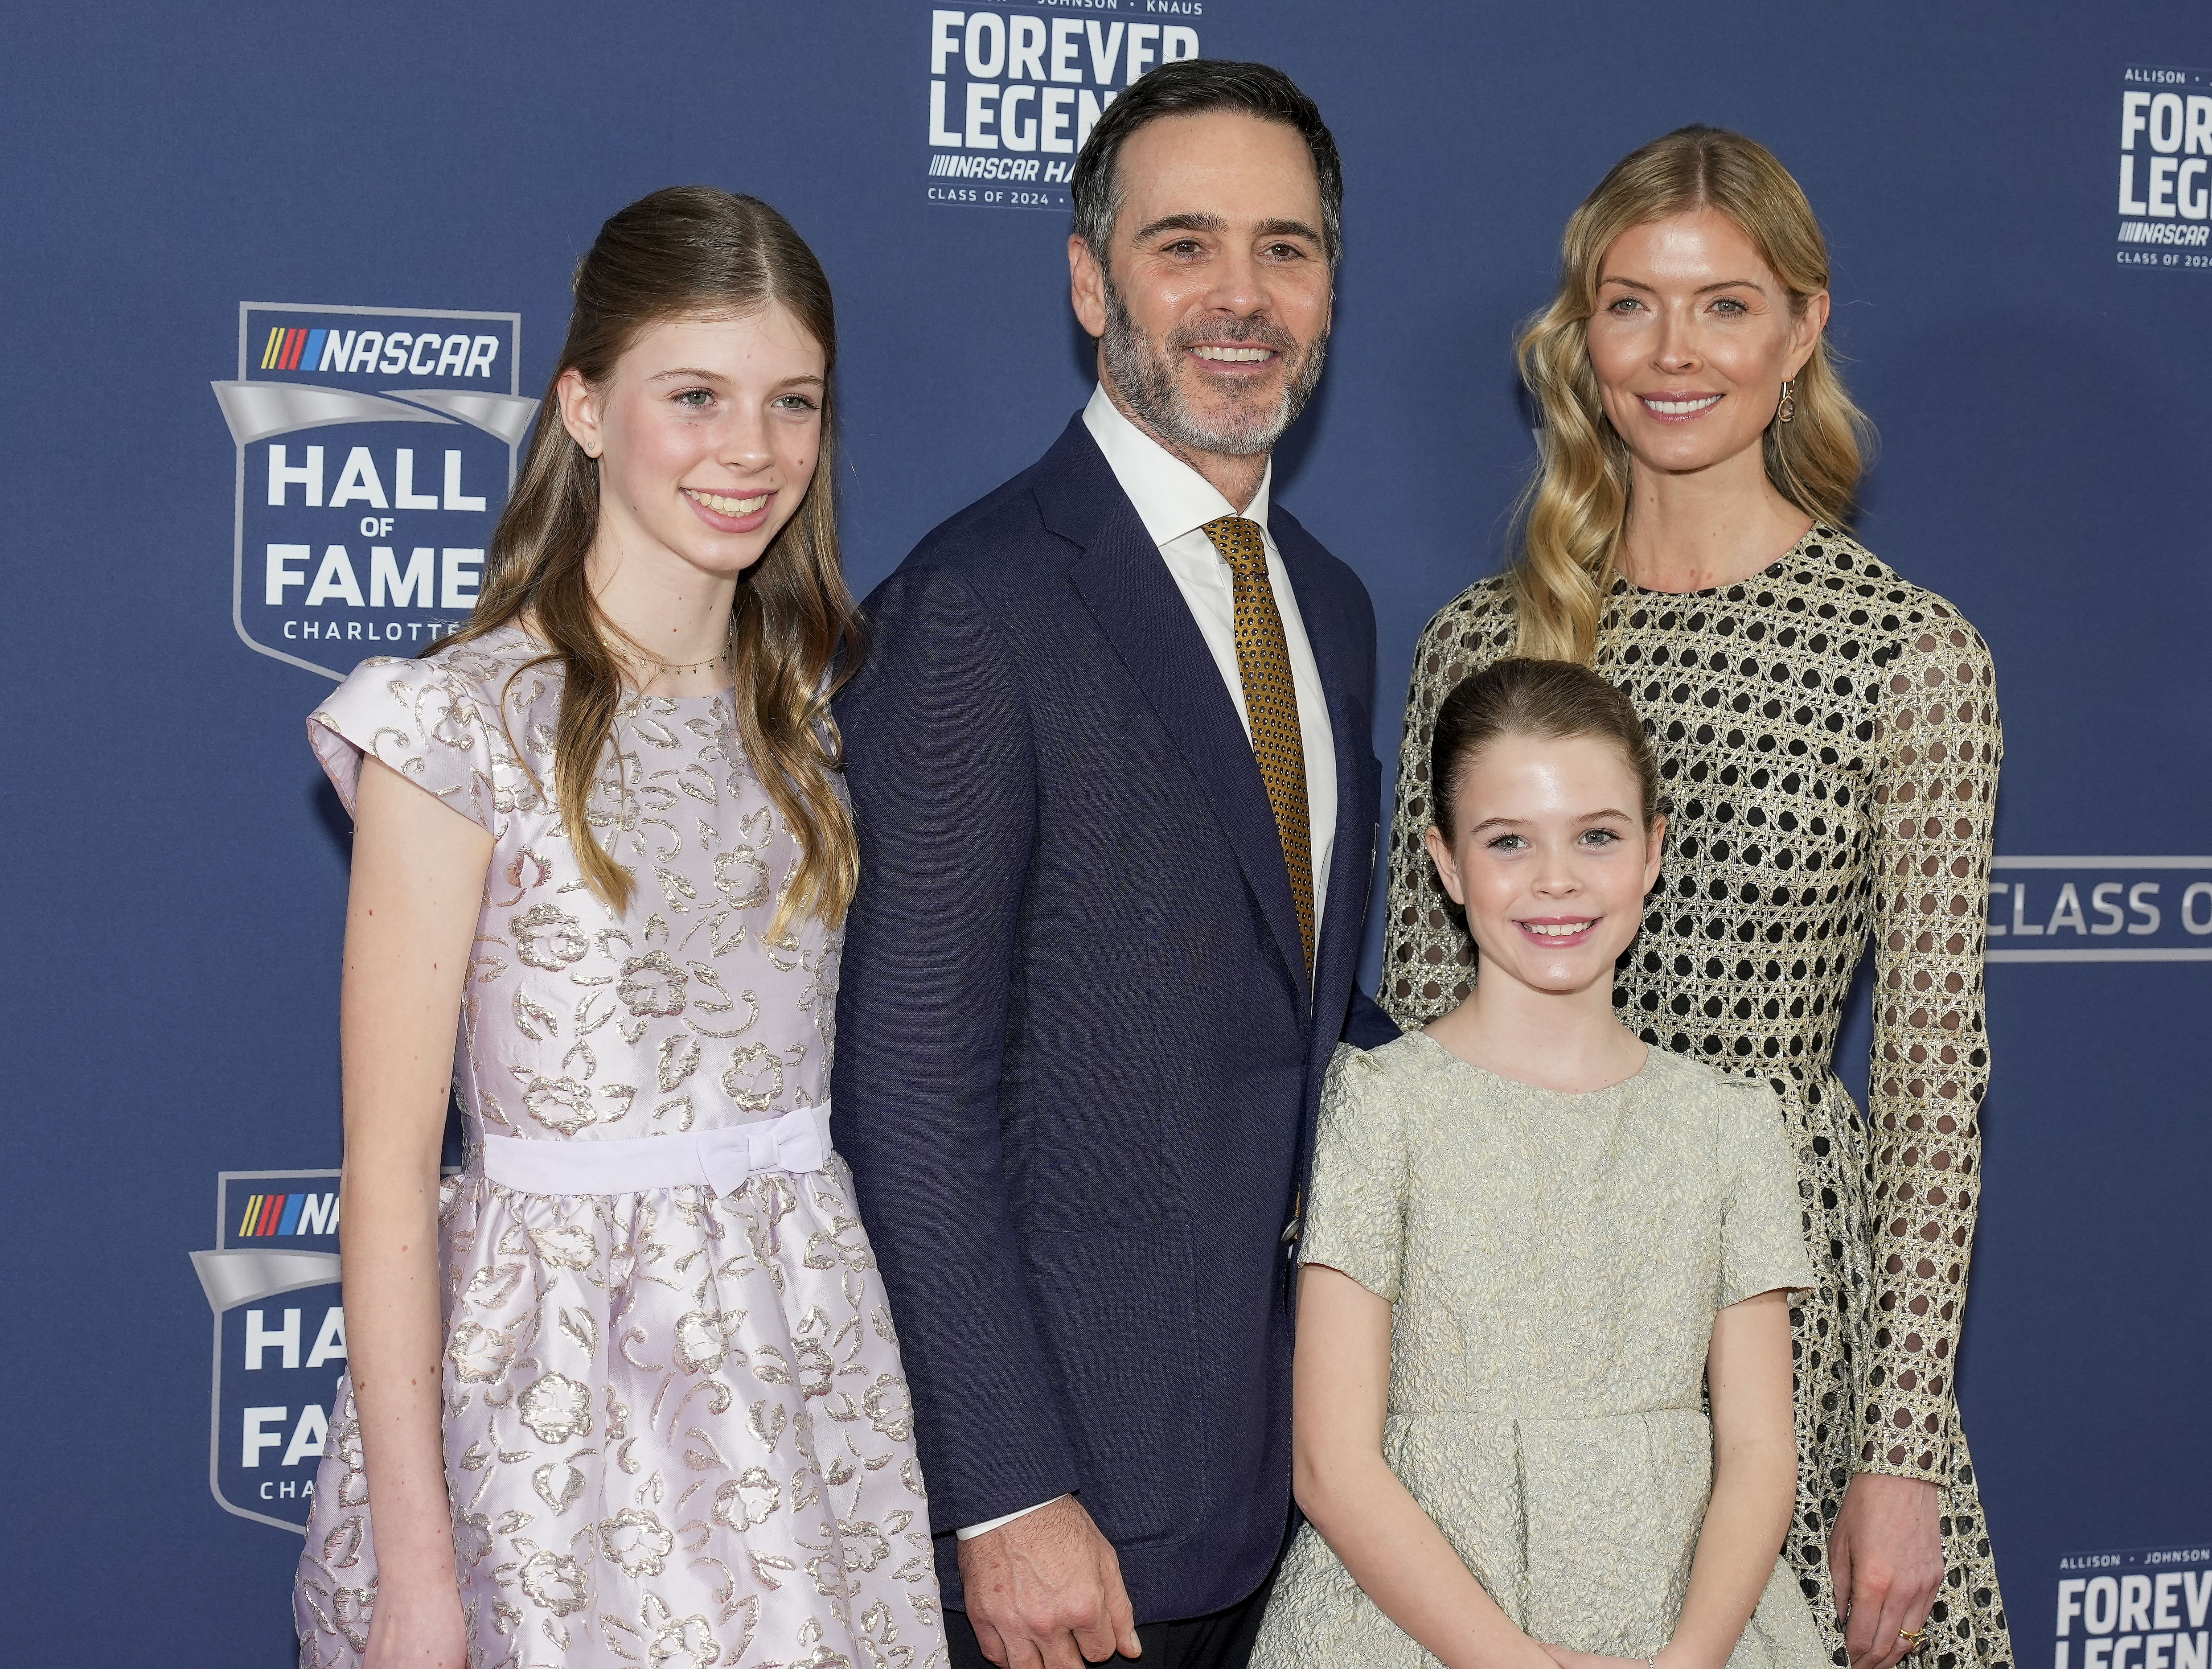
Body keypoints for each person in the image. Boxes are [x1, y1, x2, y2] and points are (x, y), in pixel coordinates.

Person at [1377, 128, 2011, 1669]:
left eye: (1724, 305)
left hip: (1781, 1296)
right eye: (1629, 304)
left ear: (1800, 332)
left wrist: (1897, 1452)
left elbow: (1932, 1078)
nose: (1673, 353)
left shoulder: (1910, 657)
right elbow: (1411, 1010)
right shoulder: (1481, 640)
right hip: (1511, 1293)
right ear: (1577, 337)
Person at [292, 187, 946, 1669]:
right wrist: (418, 1570)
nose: (753, 451)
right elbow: (389, 1173)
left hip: (801, 1382)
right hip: (553, 1407)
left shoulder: (813, 726)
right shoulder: (457, 726)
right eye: (694, 396)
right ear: (582, 405)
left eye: (794, 403)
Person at [829, 57, 1395, 1669]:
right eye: (1184, 244)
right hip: (1064, 1504)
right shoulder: (974, 607)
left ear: (1330, 289)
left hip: (1286, 1482)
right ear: (1091, 282)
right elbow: (904, 1088)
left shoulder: (1331, 604)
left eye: (1284, 249)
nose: (1240, 296)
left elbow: (1288, 1011)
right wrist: (1001, 1485)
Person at [1255, 658, 1825, 1669]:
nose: (1556, 880)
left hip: (1688, 1622)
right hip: (1418, 1622)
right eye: (1509, 841)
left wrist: (1691, 1660)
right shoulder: (1382, 1106)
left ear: (1653, 852)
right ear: (1445, 862)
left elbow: (1758, 1451)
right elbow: (1331, 1464)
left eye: (1596, 837)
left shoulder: (1731, 1125)